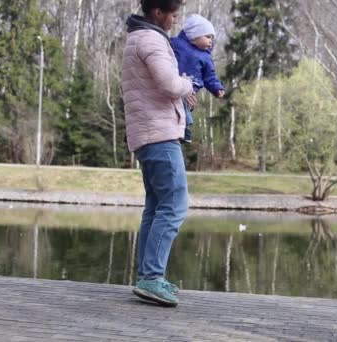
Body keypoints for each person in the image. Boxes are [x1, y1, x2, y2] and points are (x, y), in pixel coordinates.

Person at [122, 0, 195, 307]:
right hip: (159, 135)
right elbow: (167, 83)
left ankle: (149, 276)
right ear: (157, 12)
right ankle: (151, 278)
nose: (176, 19)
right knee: (175, 205)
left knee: (155, 206)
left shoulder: (137, 38)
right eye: (173, 13)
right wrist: (187, 84)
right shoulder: (150, 39)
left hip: (147, 134)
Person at [171, 14, 225, 143]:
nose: (211, 41)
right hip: (173, 83)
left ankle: (184, 129)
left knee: (186, 106)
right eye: (207, 37)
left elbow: (210, 76)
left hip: (190, 89)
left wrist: (217, 88)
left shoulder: (206, 57)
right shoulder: (175, 43)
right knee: (177, 108)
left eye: (212, 38)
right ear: (195, 35)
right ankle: (182, 129)